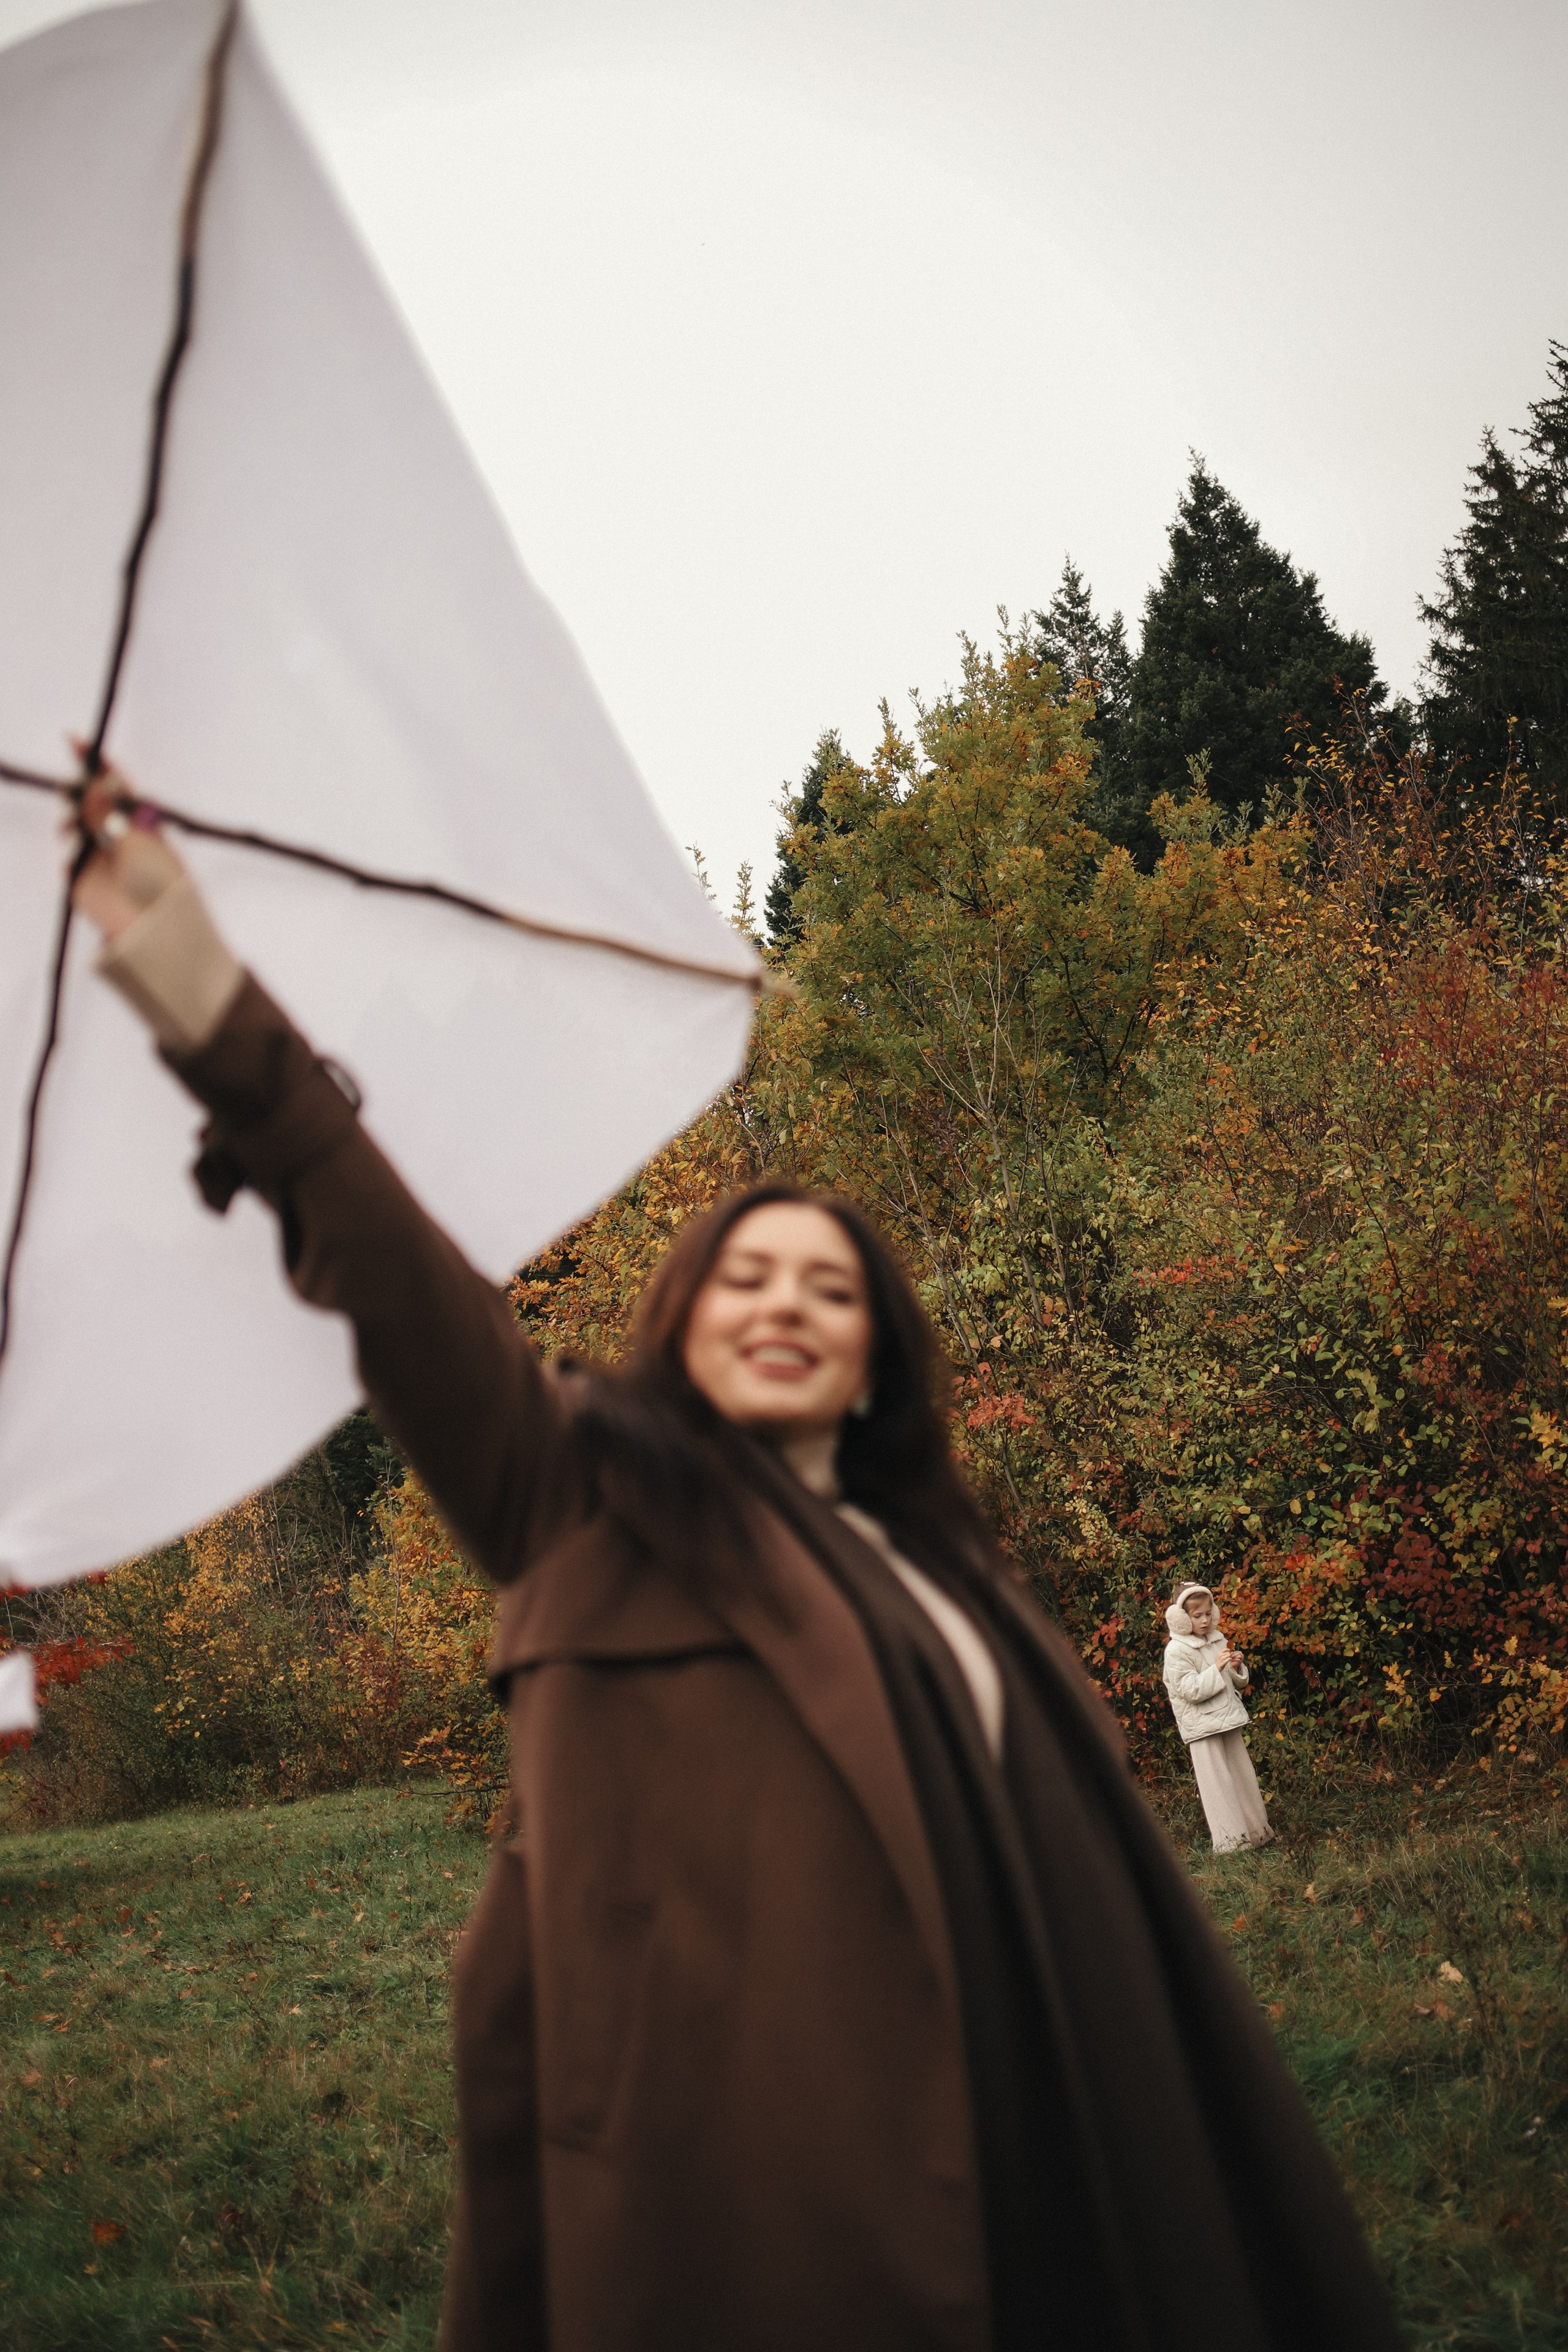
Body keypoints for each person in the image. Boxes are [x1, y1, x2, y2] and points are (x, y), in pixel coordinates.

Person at [71, 778, 1399, 2352]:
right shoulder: (581, 1496)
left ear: (874, 1353)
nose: (784, 1303)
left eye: (830, 1288)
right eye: (744, 1275)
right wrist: (193, 978)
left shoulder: (948, 1569)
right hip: (760, 2209)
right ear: (680, 1321)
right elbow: (404, 1286)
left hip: (1043, 2166)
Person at [1163, 1582, 1273, 1853]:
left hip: (1228, 1719)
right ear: (1181, 1618)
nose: (1205, 1620)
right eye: (1197, 1616)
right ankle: (1231, 1844)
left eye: (1208, 1613)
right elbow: (1190, 1690)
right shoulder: (1176, 1650)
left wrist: (1236, 1667)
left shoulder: (1218, 1639)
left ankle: (1258, 1834)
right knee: (1217, 1786)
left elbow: (1234, 1683)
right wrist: (1216, 1668)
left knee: (1242, 1776)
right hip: (1202, 1728)